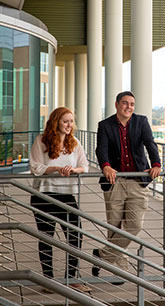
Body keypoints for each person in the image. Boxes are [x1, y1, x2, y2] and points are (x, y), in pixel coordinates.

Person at [92, 91, 161, 275]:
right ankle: (120, 270)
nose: (128, 107)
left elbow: (150, 143)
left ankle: (101, 255)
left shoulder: (141, 122)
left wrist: (156, 164)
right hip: (114, 181)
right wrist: (105, 166)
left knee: (134, 225)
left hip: (137, 180)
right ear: (116, 105)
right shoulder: (105, 125)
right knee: (114, 228)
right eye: (125, 103)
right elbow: (101, 149)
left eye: (132, 104)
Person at [30, 107, 90, 293]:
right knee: (47, 237)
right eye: (65, 121)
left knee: (75, 235)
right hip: (44, 195)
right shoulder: (41, 141)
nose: (69, 125)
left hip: (66, 195)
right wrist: (56, 168)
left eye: (71, 121)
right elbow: (35, 167)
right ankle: (48, 280)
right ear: (56, 122)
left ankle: (71, 278)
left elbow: (85, 166)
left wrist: (73, 171)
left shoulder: (74, 143)